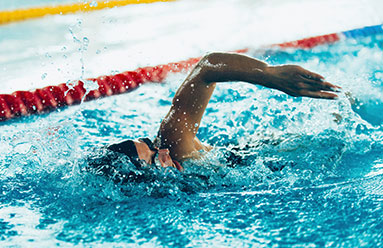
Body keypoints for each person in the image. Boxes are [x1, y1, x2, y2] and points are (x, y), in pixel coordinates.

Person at [95, 52, 341, 173]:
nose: (162, 152)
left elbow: (206, 68)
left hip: (255, 156)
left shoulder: (173, 145)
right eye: (151, 159)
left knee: (331, 131)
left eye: (149, 144)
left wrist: (269, 74)